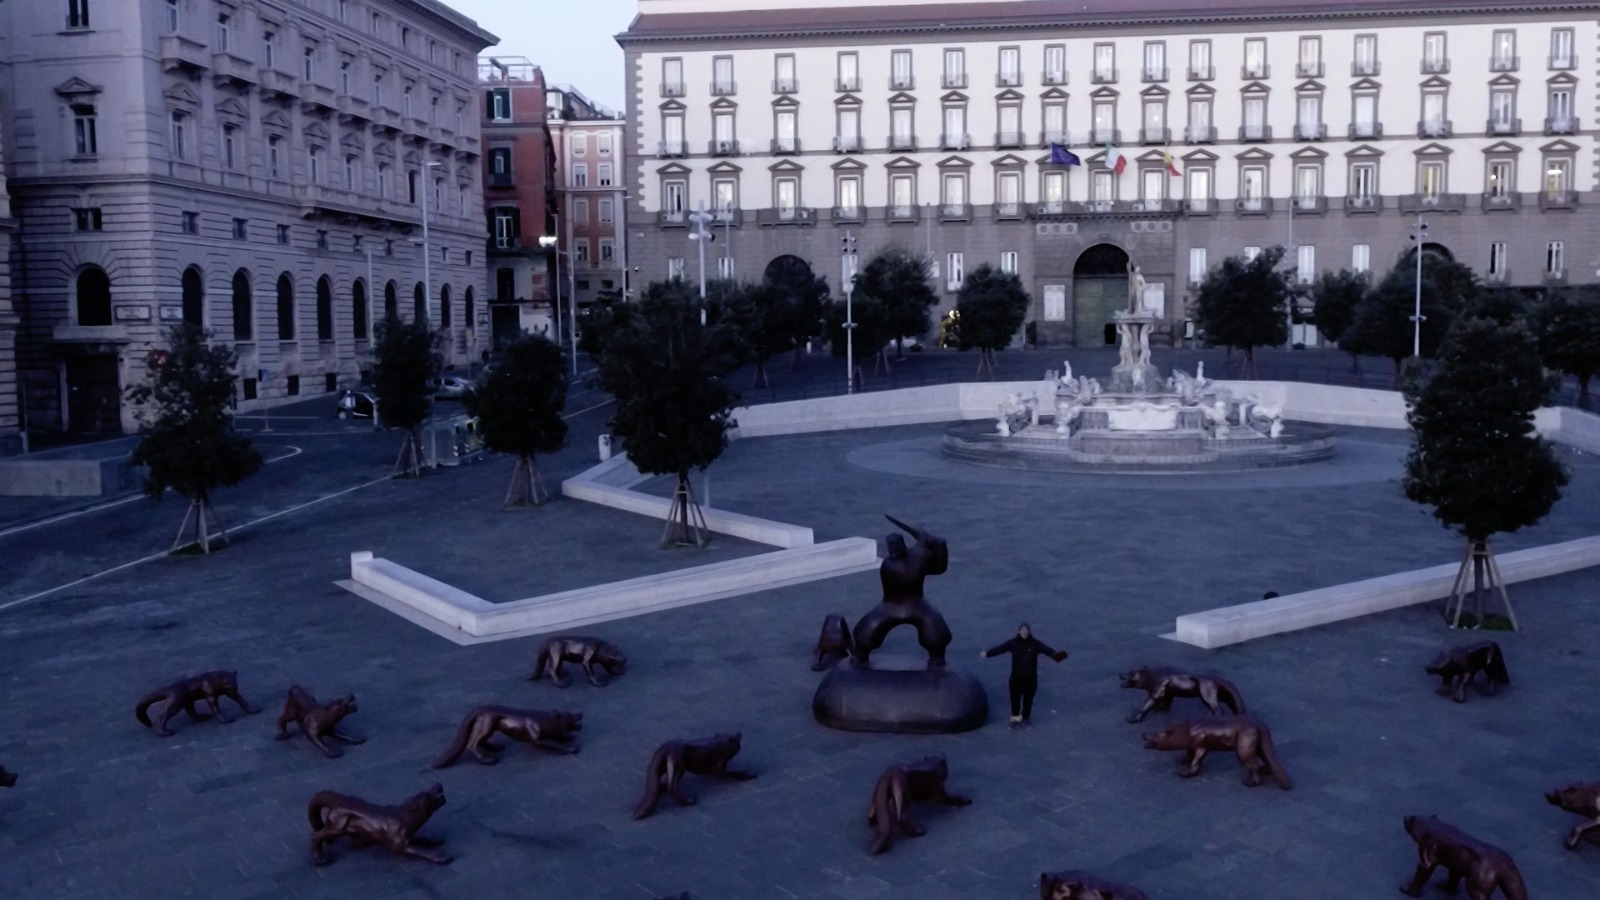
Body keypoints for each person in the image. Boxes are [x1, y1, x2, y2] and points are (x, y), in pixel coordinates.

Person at [852, 516, 952, 669]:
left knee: (936, 631)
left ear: (903, 545)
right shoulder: (889, 565)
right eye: (889, 546)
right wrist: (923, 546)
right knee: (866, 632)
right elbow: (910, 575)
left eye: (894, 545)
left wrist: (940, 547)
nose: (891, 549)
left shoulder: (917, 556)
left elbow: (939, 569)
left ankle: (937, 659)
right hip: (891, 605)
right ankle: (860, 656)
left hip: (917, 603)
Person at [980, 623, 1068, 727]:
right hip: (1016, 679)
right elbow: (1000, 649)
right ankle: (1015, 718)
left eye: (1026, 630)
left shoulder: (1035, 644)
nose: (1024, 632)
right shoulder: (1013, 643)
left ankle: (1025, 719)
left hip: (1030, 680)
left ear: (1029, 631)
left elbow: (1047, 650)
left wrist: (1057, 656)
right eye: (1022, 630)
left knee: (1028, 700)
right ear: (1019, 631)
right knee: (1015, 699)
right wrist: (987, 654)